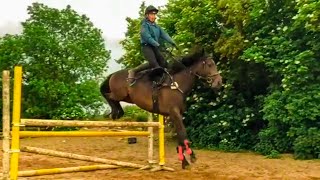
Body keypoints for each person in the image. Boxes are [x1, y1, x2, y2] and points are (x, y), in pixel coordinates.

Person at [127, 5, 178, 86]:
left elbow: (164, 34)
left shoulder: (157, 27)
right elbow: (146, 36)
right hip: (147, 47)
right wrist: (155, 43)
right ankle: (133, 71)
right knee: (155, 65)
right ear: (147, 15)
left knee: (164, 63)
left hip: (155, 47)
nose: (153, 16)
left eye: (154, 15)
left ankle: (165, 81)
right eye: (151, 14)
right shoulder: (144, 26)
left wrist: (173, 42)